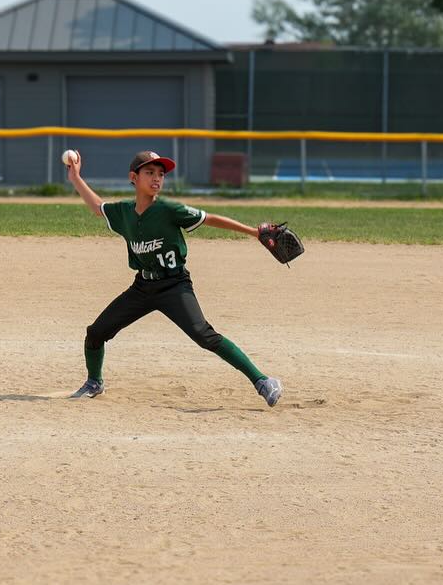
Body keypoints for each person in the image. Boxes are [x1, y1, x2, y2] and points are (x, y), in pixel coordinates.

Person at [64, 149, 283, 407]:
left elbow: (209, 218)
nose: (157, 178)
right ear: (133, 177)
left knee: (204, 335)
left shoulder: (168, 209)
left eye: (161, 174)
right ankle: (94, 382)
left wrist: (254, 232)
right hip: (143, 287)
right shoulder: (124, 211)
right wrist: (76, 178)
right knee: (96, 332)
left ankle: (262, 381)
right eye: (149, 172)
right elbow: (98, 208)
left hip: (174, 285)